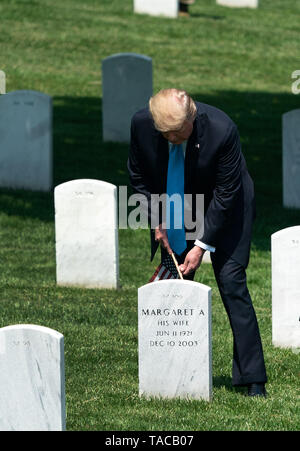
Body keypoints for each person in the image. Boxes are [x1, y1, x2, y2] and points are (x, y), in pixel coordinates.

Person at [127, 88, 268, 397]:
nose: (170, 139)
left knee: (232, 282)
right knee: (176, 277)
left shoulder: (221, 129)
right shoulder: (142, 124)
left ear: (191, 118)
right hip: (180, 204)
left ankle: (251, 378)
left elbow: (226, 193)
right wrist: (157, 219)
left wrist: (202, 245)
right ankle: (171, 368)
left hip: (227, 205)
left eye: (176, 133)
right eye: (163, 133)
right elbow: (138, 177)